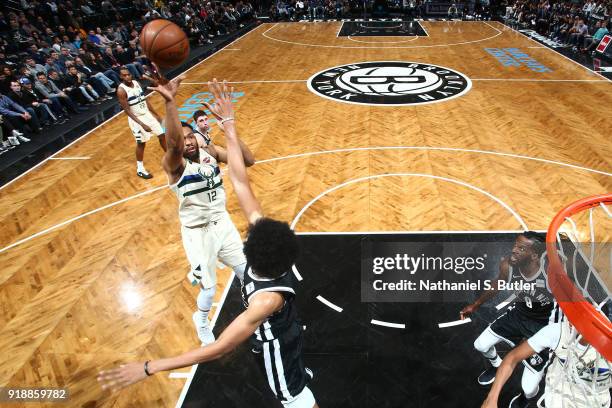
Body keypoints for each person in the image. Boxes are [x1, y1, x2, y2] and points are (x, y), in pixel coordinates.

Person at [98, 75, 318, 408]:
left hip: (274, 341)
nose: (186, 140)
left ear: (251, 241)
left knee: (294, 393)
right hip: (198, 230)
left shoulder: (263, 301)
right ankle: (200, 312)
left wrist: (149, 366)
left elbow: (221, 348)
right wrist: (211, 117)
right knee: (209, 287)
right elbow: (239, 182)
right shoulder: (177, 165)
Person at [460, 232, 555, 408]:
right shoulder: (508, 265)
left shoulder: (549, 274)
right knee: (480, 345)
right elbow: (498, 282)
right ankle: (496, 366)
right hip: (517, 316)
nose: (514, 250)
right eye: (515, 245)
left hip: (541, 326)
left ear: (534, 255)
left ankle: (526, 398)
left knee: (528, 387)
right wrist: (476, 304)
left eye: (521, 248)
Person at [481, 318, 611, 408]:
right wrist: (491, 399)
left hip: (595, 400)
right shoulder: (558, 331)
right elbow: (512, 357)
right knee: (528, 388)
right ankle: (525, 397)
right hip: (559, 394)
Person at [117, 67, 165, 179]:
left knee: (162, 135)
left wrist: (155, 114)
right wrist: (142, 124)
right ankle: (140, 169)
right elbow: (127, 111)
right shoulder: (121, 90)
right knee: (141, 143)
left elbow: (145, 99)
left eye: (128, 74)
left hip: (147, 115)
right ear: (121, 77)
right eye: (124, 75)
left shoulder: (136, 83)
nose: (127, 76)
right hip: (136, 119)